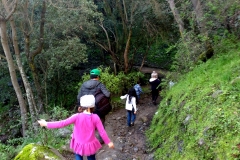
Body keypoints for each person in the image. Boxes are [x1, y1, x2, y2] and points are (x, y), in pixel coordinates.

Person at [38, 95, 114, 160]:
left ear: (82, 106)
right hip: (90, 144)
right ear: (93, 106)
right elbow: (102, 131)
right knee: (91, 158)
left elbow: (62, 123)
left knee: (78, 157)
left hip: (78, 144)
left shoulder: (77, 116)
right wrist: (108, 142)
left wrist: (46, 124)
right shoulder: (96, 117)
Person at [77, 68, 110, 143]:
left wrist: (80, 106)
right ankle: (101, 139)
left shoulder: (83, 85)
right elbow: (107, 95)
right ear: (98, 76)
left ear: (90, 76)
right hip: (97, 108)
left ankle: (88, 139)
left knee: (88, 123)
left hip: (85, 108)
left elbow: (78, 97)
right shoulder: (100, 84)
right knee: (101, 122)